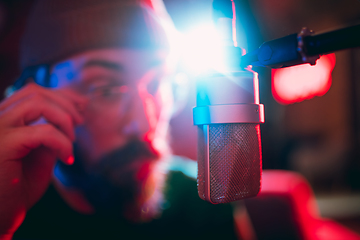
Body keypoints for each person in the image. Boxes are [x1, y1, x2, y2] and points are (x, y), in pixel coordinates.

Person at [0, 0, 238, 239]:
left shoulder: (206, 199)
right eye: (106, 90)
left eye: (156, 84)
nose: (145, 125)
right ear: (34, 95)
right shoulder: (11, 205)